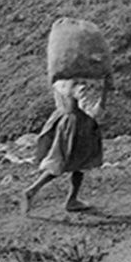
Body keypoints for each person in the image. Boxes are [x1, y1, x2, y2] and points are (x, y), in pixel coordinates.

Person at [21, 76, 111, 215]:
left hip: (62, 120)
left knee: (74, 162)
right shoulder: (79, 86)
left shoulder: (60, 81)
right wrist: (105, 93)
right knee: (70, 163)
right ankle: (33, 190)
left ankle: (71, 198)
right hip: (79, 127)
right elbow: (93, 113)